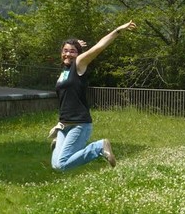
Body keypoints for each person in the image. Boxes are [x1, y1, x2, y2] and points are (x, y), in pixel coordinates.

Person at [51, 20, 137, 172]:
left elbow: (99, 46)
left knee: (61, 164)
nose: (67, 54)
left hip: (79, 123)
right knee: (56, 166)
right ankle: (60, 142)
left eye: (72, 51)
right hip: (63, 125)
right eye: (65, 50)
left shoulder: (79, 64)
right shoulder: (64, 70)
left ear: (79, 54)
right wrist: (76, 44)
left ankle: (99, 147)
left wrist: (118, 30)